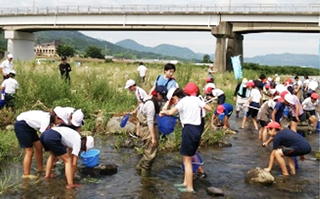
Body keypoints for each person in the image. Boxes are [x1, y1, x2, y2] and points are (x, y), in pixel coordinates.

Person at [160, 88, 212, 193]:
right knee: (187, 157)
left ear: (175, 97)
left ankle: (190, 188)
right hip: (197, 130)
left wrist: (163, 112)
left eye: (172, 101)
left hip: (188, 130)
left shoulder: (182, 102)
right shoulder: (195, 99)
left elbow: (170, 112)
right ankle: (185, 183)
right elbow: (209, 108)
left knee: (187, 161)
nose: (173, 103)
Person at [14, 108, 67, 178]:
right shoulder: (46, 120)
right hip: (21, 125)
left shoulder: (49, 118)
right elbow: (44, 138)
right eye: (61, 121)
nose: (60, 123)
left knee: (39, 147)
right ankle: (26, 174)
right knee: (29, 151)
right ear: (57, 117)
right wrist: (54, 153)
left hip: (29, 126)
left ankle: (40, 168)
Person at [135, 85, 165, 177]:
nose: (163, 99)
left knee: (148, 152)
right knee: (150, 155)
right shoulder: (151, 104)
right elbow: (150, 121)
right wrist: (153, 137)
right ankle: (145, 180)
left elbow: (139, 114)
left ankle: (139, 168)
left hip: (145, 128)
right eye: (162, 96)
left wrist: (138, 129)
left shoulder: (148, 99)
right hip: (148, 129)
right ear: (158, 94)